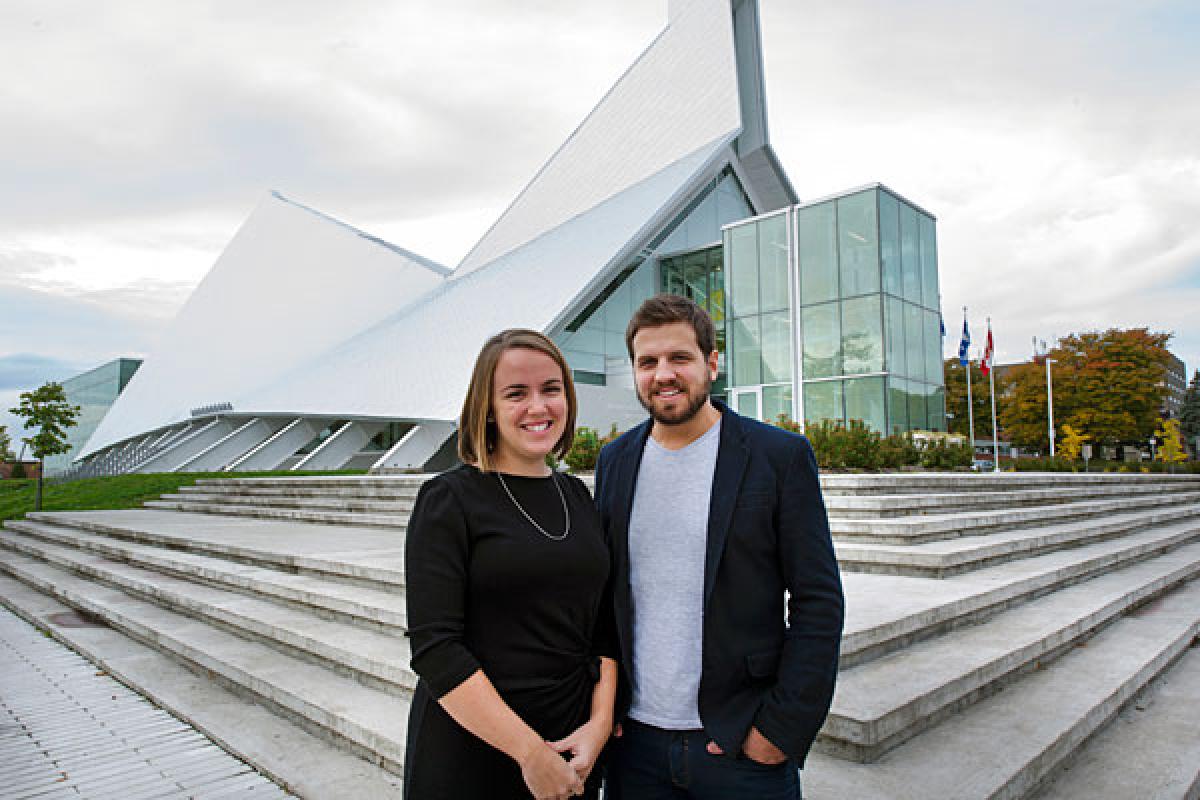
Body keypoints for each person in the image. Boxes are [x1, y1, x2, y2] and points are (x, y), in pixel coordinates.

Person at [594, 294, 844, 799]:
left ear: (712, 363)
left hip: (739, 747)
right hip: (634, 746)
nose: (663, 374)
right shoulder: (614, 461)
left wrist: (779, 730)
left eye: (679, 358)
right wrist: (604, 711)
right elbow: (603, 598)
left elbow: (819, 601)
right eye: (648, 362)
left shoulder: (779, 456)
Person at [404, 329, 618, 800]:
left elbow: (605, 629)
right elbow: (435, 649)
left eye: (551, 389)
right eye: (516, 394)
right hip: (475, 750)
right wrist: (529, 755)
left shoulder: (577, 497)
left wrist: (599, 726)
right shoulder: (448, 499)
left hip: (573, 749)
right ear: (488, 407)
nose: (538, 407)